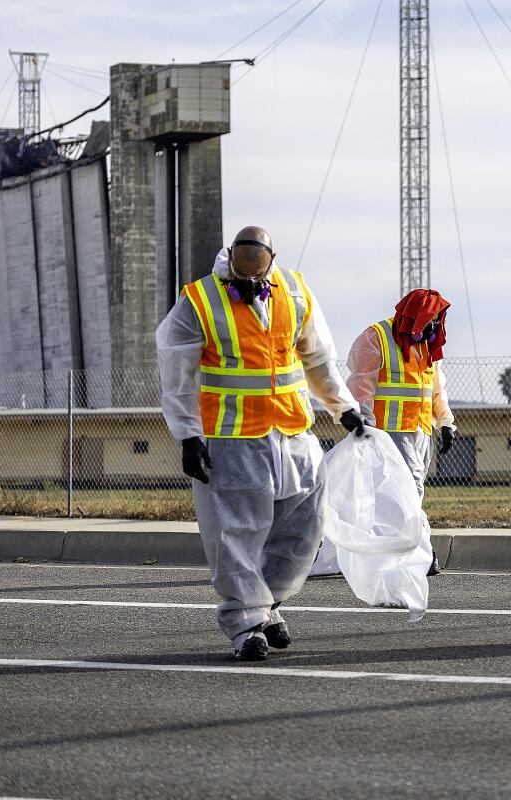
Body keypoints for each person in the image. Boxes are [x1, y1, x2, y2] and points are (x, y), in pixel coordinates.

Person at [156, 226, 364, 660]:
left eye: (257, 277)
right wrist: (189, 437)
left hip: (293, 434)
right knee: (235, 536)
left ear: (271, 261)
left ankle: (266, 605)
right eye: (241, 276)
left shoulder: (295, 291)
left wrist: (341, 407)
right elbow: (177, 375)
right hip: (231, 439)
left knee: (304, 531)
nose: (249, 285)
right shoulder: (200, 299)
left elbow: (317, 357)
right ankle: (246, 626)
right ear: (230, 258)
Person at [346, 289, 456, 498]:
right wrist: (363, 425)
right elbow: (361, 387)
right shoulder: (376, 337)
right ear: (414, 318)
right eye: (428, 320)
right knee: (411, 484)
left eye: (436, 321)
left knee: (402, 486)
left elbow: (436, 389)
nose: (432, 327)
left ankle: (393, 529)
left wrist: (445, 422)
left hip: (421, 428)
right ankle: (411, 530)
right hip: (388, 429)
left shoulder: (429, 346)